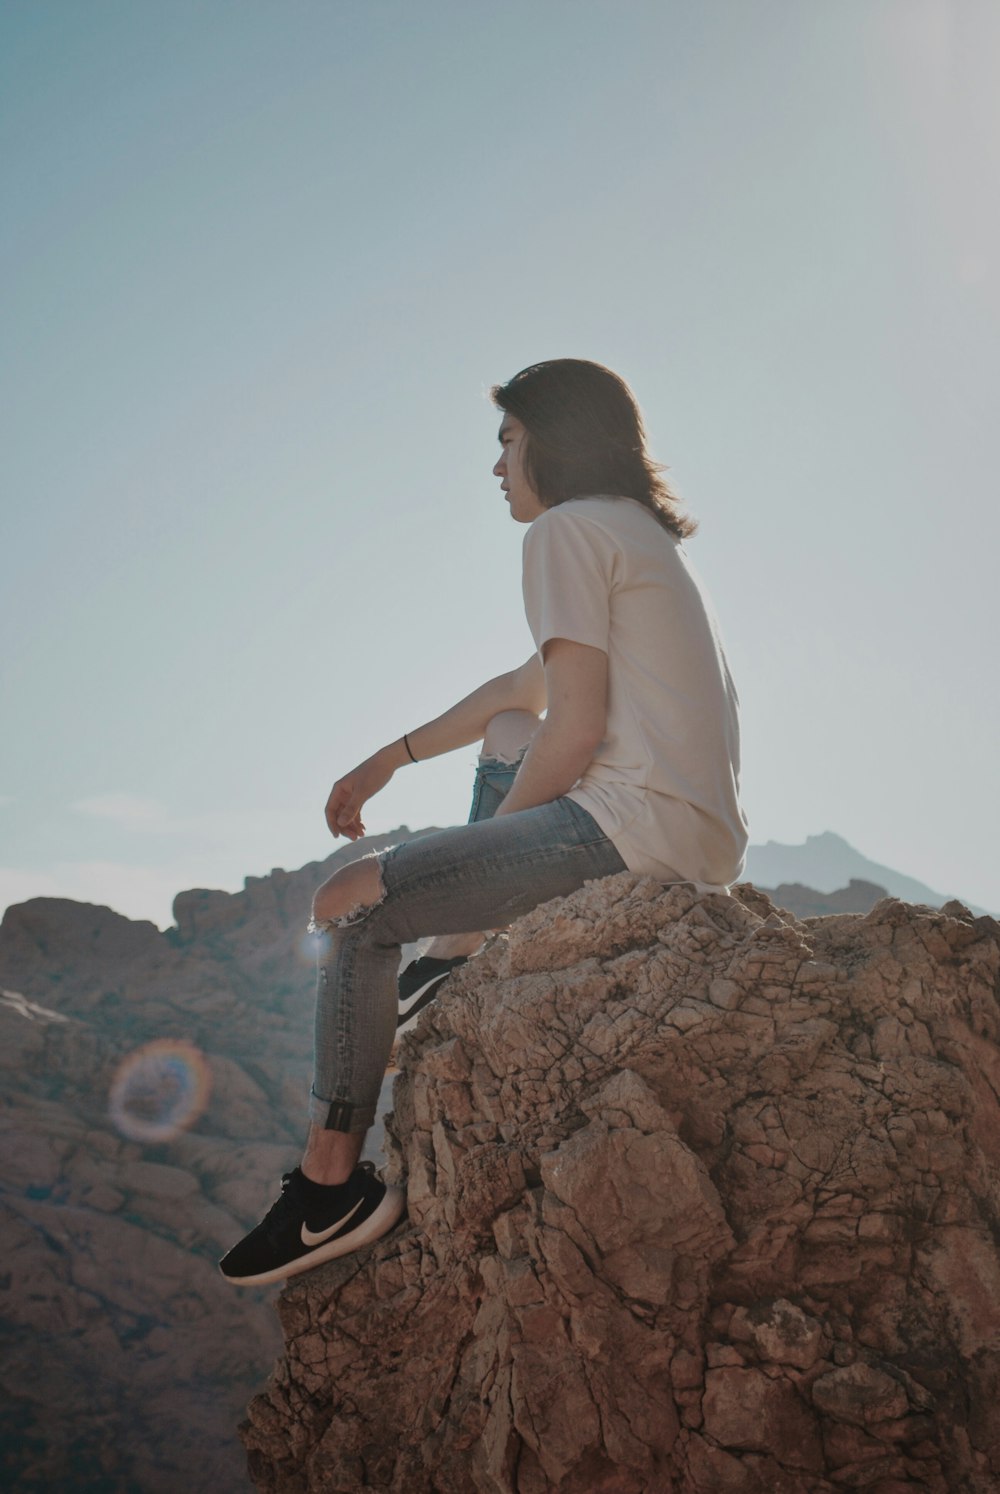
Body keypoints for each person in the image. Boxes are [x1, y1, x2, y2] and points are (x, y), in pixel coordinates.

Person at [219, 358, 748, 1287]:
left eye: (507, 440)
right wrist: (388, 760)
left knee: (348, 903)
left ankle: (328, 1189)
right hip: (686, 833)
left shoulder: (565, 531)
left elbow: (576, 730)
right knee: (509, 733)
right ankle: (449, 967)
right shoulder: (633, 537)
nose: (496, 466)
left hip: (626, 828)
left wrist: (440, 886)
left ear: (554, 439)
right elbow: (526, 697)